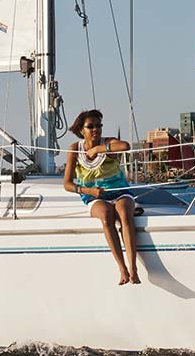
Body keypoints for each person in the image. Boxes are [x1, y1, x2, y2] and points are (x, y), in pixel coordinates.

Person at [62, 110, 140, 285]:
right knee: (106, 217)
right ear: (81, 130)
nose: (95, 129)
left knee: (125, 215)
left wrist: (98, 149)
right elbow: (67, 184)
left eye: (98, 125)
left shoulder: (108, 143)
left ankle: (133, 268)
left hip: (120, 192)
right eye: (90, 126)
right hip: (93, 196)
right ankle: (122, 269)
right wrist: (88, 191)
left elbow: (125, 146)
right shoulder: (75, 149)